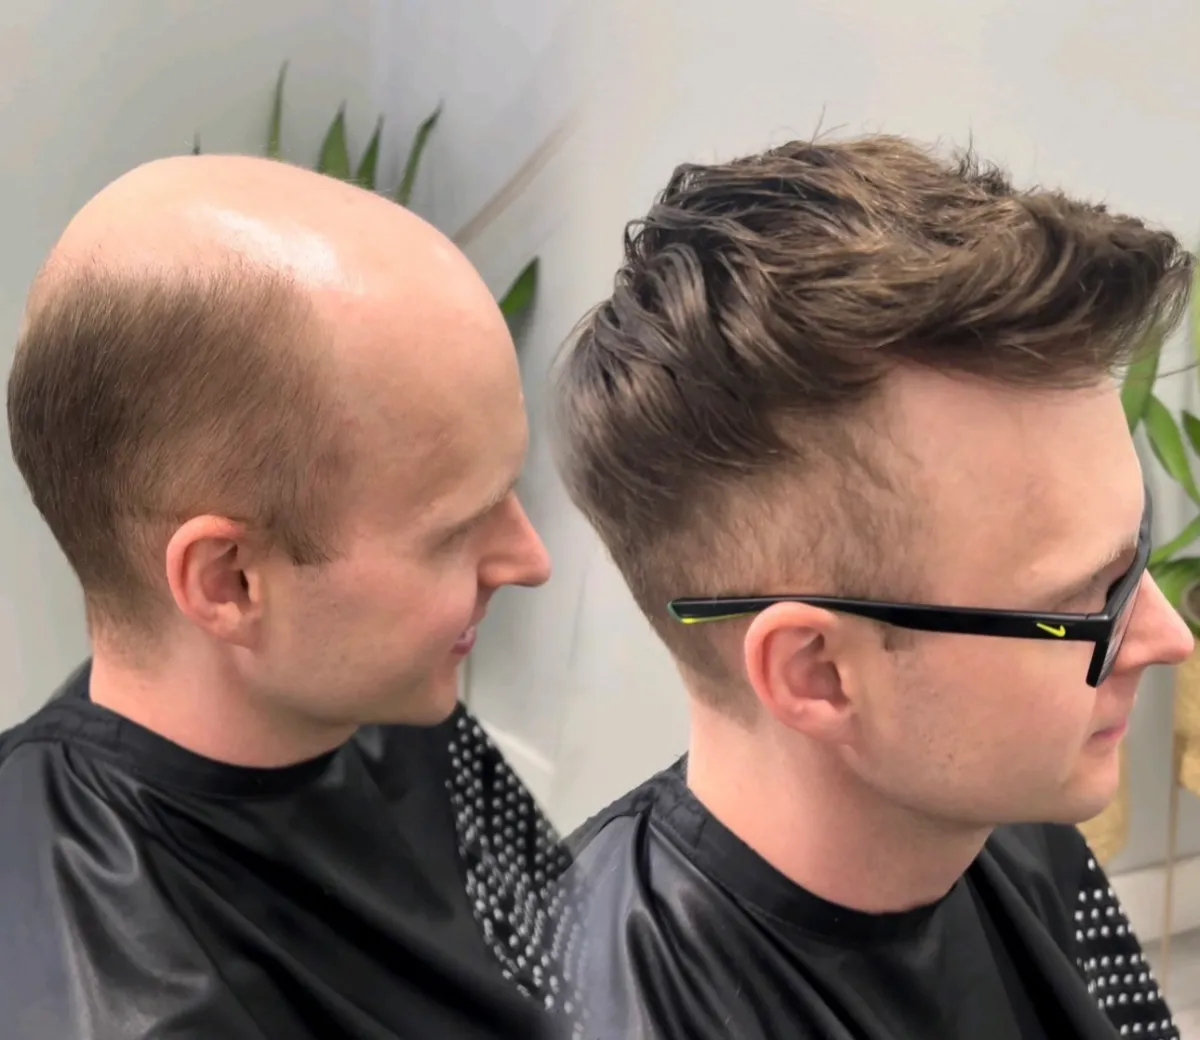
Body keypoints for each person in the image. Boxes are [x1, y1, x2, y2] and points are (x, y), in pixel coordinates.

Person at [550, 135, 1194, 1039]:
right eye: (1086, 602)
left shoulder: (1012, 821)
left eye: (1136, 556)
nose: (1170, 638)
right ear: (819, 672)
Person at [1, 154, 578, 1039]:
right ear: (230, 582)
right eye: (455, 532)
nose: (529, 560)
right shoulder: (124, 1002)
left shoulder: (367, 692)